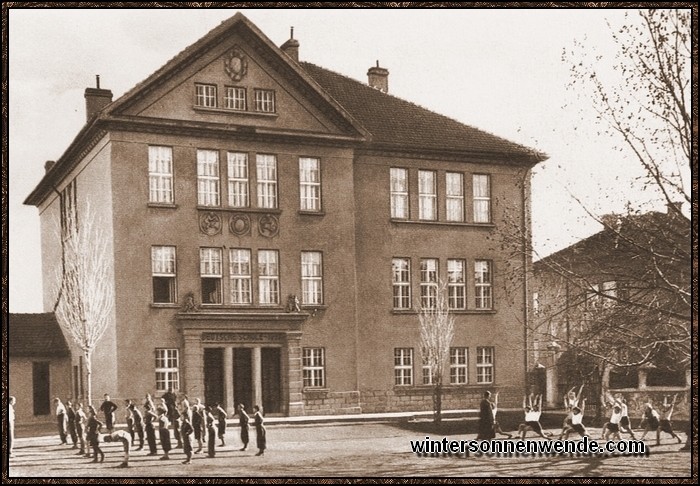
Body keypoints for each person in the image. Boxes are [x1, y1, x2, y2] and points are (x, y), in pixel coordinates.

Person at [179, 400, 194, 464]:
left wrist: (188, 433)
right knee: (186, 448)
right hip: (185, 437)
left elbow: (192, 429)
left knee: (189, 448)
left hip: (187, 437)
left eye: (182, 416)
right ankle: (187, 459)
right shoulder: (183, 422)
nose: (181, 417)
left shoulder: (187, 422)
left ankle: (189, 460)